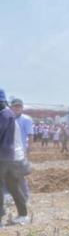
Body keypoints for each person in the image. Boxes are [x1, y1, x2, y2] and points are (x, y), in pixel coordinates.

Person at [0, 90, 30, 226]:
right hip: (11, 156)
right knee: (13, 185)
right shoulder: (8, 114)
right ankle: (23, 214)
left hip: (4, 156)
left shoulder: (4, 115)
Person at [9, 99, 33, 201]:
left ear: (22, 108)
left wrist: (29, 148)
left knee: (20, 174)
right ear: (11, 107)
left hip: (20, 151)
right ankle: (10, 196)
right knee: (7, 173)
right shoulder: (8, 118)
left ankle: (25, 196)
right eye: (15, 106)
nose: (17, 108)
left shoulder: (26, 119)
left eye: (19, 106)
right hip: (8, 151)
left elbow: (30, 135)